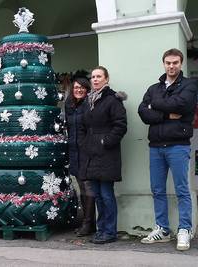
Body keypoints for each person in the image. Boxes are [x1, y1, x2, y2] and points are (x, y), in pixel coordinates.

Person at [138, 48, 198, 251]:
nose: (171, 66)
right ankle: (162, 229)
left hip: (178, 146)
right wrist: (165, 114)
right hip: (156, 147)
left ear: (181, 64)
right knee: (157, 190)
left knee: (182, 190)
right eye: (168, 63)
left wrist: (155, 106)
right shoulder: (154, 87)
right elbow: (142, 112)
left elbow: (182, 105)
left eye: (175, 63)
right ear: (163, 64)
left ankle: (184, 229)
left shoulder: (189, 85)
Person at [78, 66, 127, 244]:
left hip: (107, 155)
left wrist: (104, 142)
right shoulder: (88, 101)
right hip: (91, 154)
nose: (95, 80)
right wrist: (85, 143)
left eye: (99, 76)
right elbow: (82, 126)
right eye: (93, 77)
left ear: (106, 79)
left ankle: (110, 231)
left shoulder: (112, 100)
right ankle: (101, 230)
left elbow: (120, 125)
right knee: (97, 196)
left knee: (106, 194)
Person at [65, 77, 95, 237]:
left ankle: (88, 223)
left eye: (82, 87)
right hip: (74, 151)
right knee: (82, 187)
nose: (79, 90)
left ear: (87, 89)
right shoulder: (69, 105)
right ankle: (87, 223)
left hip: (86, 151)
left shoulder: (89, 104)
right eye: (76, 87)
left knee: (88, 187)